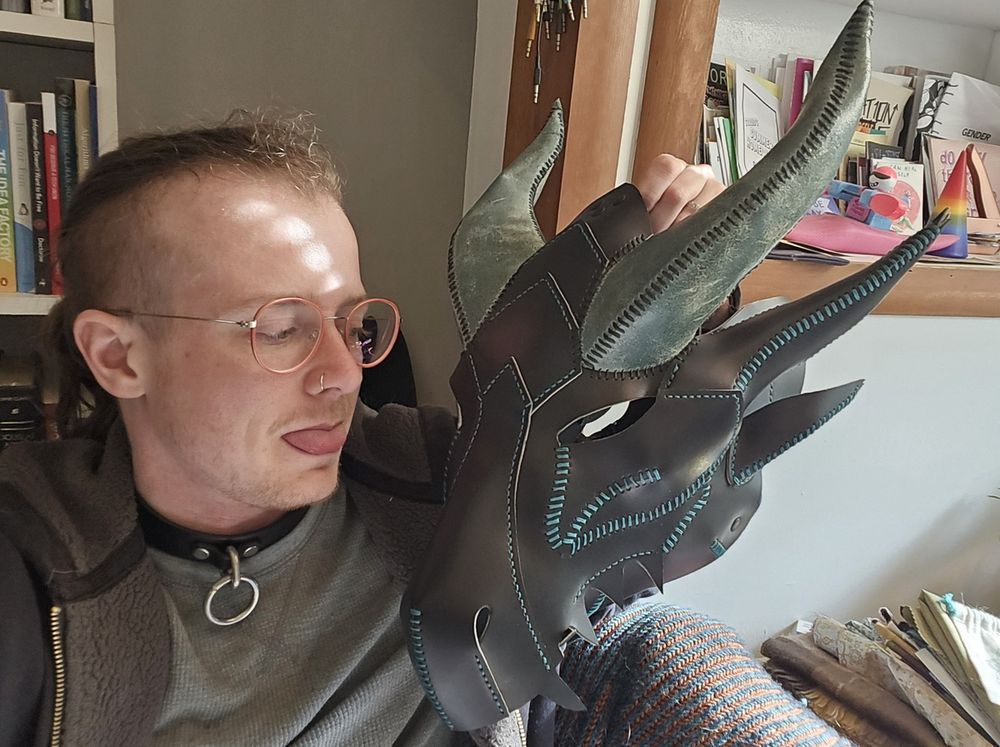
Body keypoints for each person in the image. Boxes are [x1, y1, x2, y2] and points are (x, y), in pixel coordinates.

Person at [0, 113, 845, 747]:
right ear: (119, 356)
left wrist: (691, 310)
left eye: (351, 322)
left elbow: (619, 599)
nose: (344, 372)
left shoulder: (438, 475)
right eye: (282, 328)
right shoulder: (31, 560)